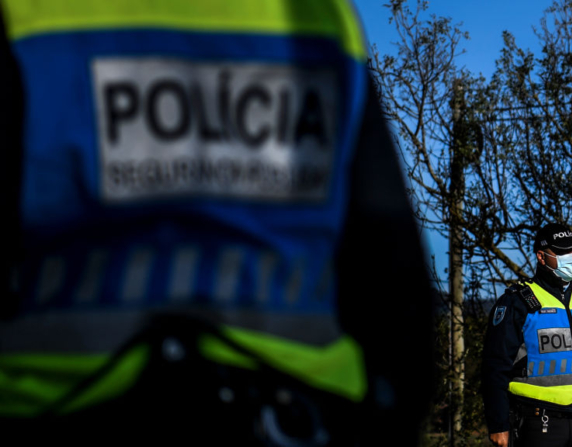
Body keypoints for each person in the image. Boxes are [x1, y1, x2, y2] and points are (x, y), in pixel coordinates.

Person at [0, 1, 434, 445]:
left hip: (61, 409)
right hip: (294, 416)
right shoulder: (320, 17)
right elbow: (396, 289)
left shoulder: (31, 14)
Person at [482, 223, 572, 447]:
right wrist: (498, 424)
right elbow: (494, 367)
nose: (571, 257)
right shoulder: (517, 301)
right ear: (541, 256)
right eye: (563, 252)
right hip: (538, 424)